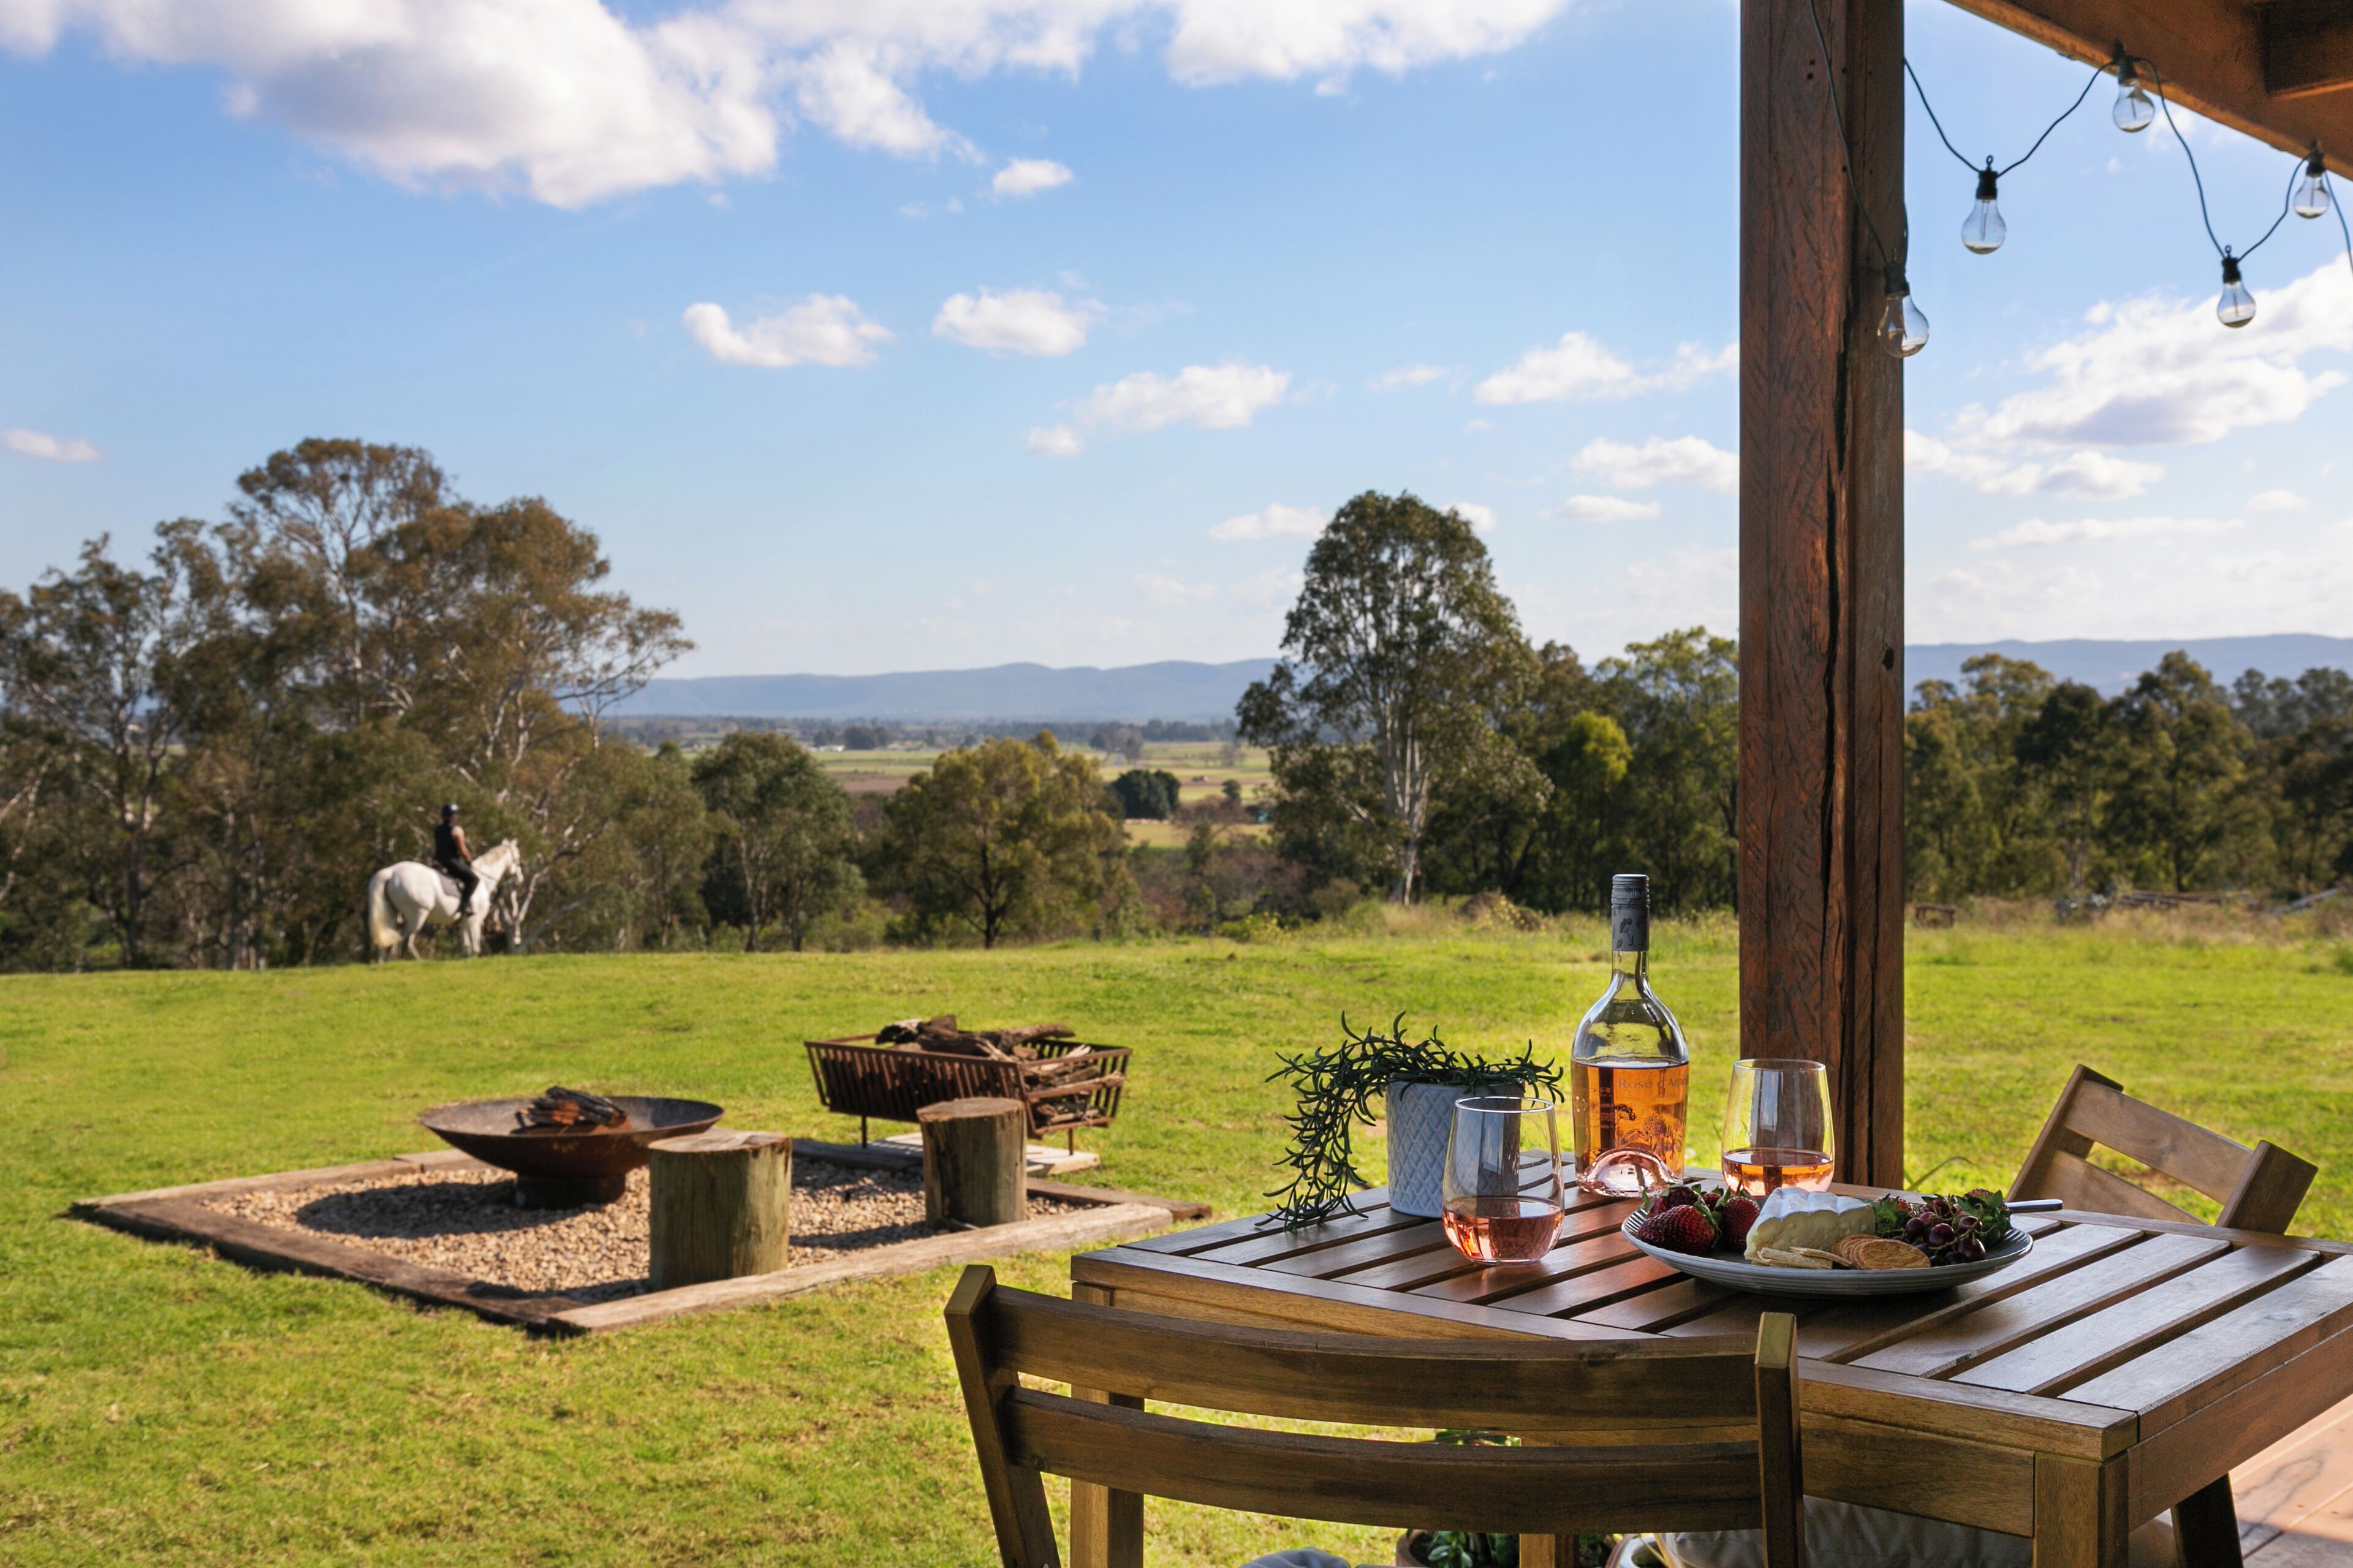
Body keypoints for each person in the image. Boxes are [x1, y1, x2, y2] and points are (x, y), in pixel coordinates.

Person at [432, 803, 478, 918]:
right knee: (473, 880)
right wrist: (469, 861)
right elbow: (463, 850)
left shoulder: (438, 830)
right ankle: (465, 904)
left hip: (437, 862)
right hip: (451, 862)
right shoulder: (457, 830)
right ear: (454, 816)